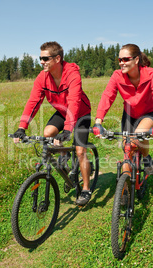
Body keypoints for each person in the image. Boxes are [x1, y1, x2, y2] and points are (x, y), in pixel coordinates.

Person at [13, 41, 93, 206]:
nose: (41, 62)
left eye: (45, 58)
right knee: (48, 133)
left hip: (80, 113)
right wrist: (22, 127)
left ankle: (86, 188)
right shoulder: (43, 77)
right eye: (40, 58)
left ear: (57, 58)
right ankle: (65, 158)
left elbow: (74, 101)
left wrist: (68, 129)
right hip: (63, 112)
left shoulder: (72, 74)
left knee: (80, 151)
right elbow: (33, 102)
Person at [93, 43, 153, 175]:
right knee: (127, 148)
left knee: (137, 135)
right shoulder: (117, 76)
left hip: (148, 113)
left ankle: (146, 158)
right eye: (119, 60)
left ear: (136, 60)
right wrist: (98, 121)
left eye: (126, 59)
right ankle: (124, 190)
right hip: (129, 114)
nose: (122, 63)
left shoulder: (150, 73)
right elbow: (107, 96)